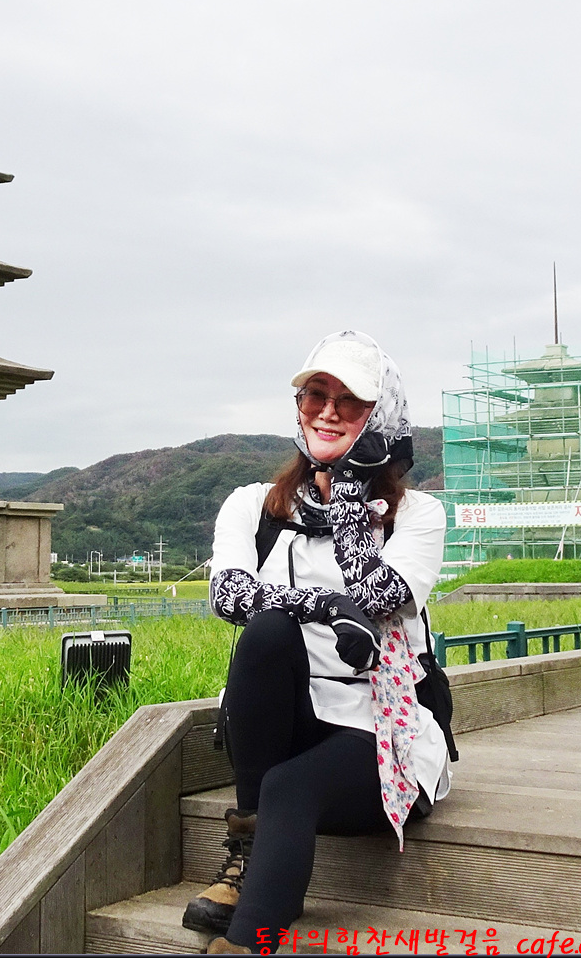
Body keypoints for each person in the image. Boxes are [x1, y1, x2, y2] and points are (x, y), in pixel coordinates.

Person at [181, 331, 453, 954]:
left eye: (349, 401)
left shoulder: (418, 517)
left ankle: (250, 935)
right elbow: (229, 597)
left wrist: (352, 493)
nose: (327, 412)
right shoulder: (254, 506)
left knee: (290, 788)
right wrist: (323, 606)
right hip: (289, 718)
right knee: (267, 632)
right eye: (314, 396)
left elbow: (378, 595)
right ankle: (248, 858)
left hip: (378, 727)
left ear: (381, 417)